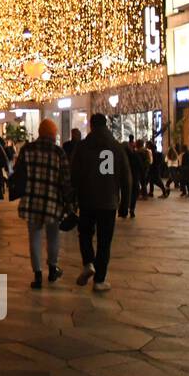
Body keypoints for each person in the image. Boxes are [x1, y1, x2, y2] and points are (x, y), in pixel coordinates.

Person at [70, 113, 132, 292]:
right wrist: (125, 204)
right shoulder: (116, 147)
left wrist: (72, 198)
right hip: (108, 201)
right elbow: (126, 177)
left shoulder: (82, 147)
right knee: (105, 241)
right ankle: (99, 279)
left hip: (87, 199)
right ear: (106, 125)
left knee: (85, 233)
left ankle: (88, 262)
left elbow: (74, 174)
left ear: (91, 126)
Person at [15, 118, 74, 290]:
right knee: (53, 236)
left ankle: (38, 274)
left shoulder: (27, 149)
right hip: (52, 201)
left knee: (34, 238)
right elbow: (65, 179)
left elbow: (19, 173)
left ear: (40, 132)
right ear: (54, 134)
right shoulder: (58, 152)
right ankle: (53, 268)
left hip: (32, 200)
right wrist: (69, 201)